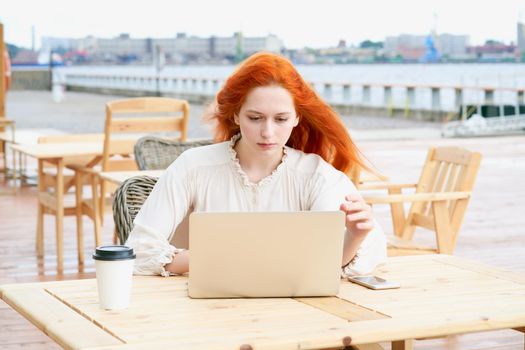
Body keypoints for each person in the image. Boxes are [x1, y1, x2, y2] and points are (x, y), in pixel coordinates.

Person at [126, 52, 386, 277]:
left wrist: (355, 236)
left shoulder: (316, 175)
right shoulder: (193, 167)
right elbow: (138, 250)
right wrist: (220, 260)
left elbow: (326, 261)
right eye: (255, 118)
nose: (268, 133)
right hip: (203, 313)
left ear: (297, 118)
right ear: (236, 115)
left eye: (281, 119)